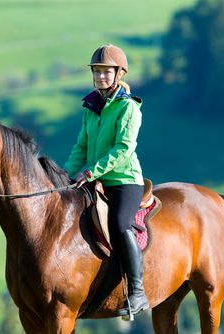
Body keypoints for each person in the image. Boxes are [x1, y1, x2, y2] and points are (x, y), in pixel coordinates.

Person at [63, 44, 148, 317]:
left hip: (124, 179)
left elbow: (123, 150)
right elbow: (81, 146)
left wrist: (89, 172)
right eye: (97, 72)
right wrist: (65, 177)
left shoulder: (129, 108)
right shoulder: (91, 107)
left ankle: (137, 292)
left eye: (105, 72)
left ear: (119, 74)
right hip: (94, 178)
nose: (100, 77)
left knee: (121, 224)